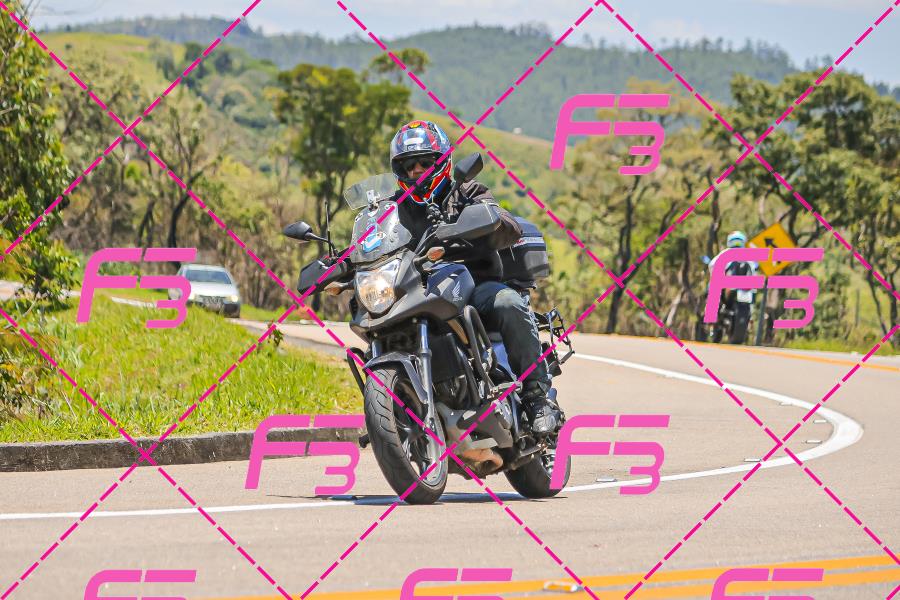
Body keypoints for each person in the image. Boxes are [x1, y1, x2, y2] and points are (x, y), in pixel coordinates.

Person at [387, 119, 560, 434]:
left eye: (425, 162)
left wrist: (484, 222)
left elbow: (509, 226)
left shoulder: (467, 191)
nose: (417, 171)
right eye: (409, 165)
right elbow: (373, 240)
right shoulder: (394, 209)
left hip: (474, 286)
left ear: (442, 162)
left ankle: (536, 397)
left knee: (508, 302)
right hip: (417, 291)